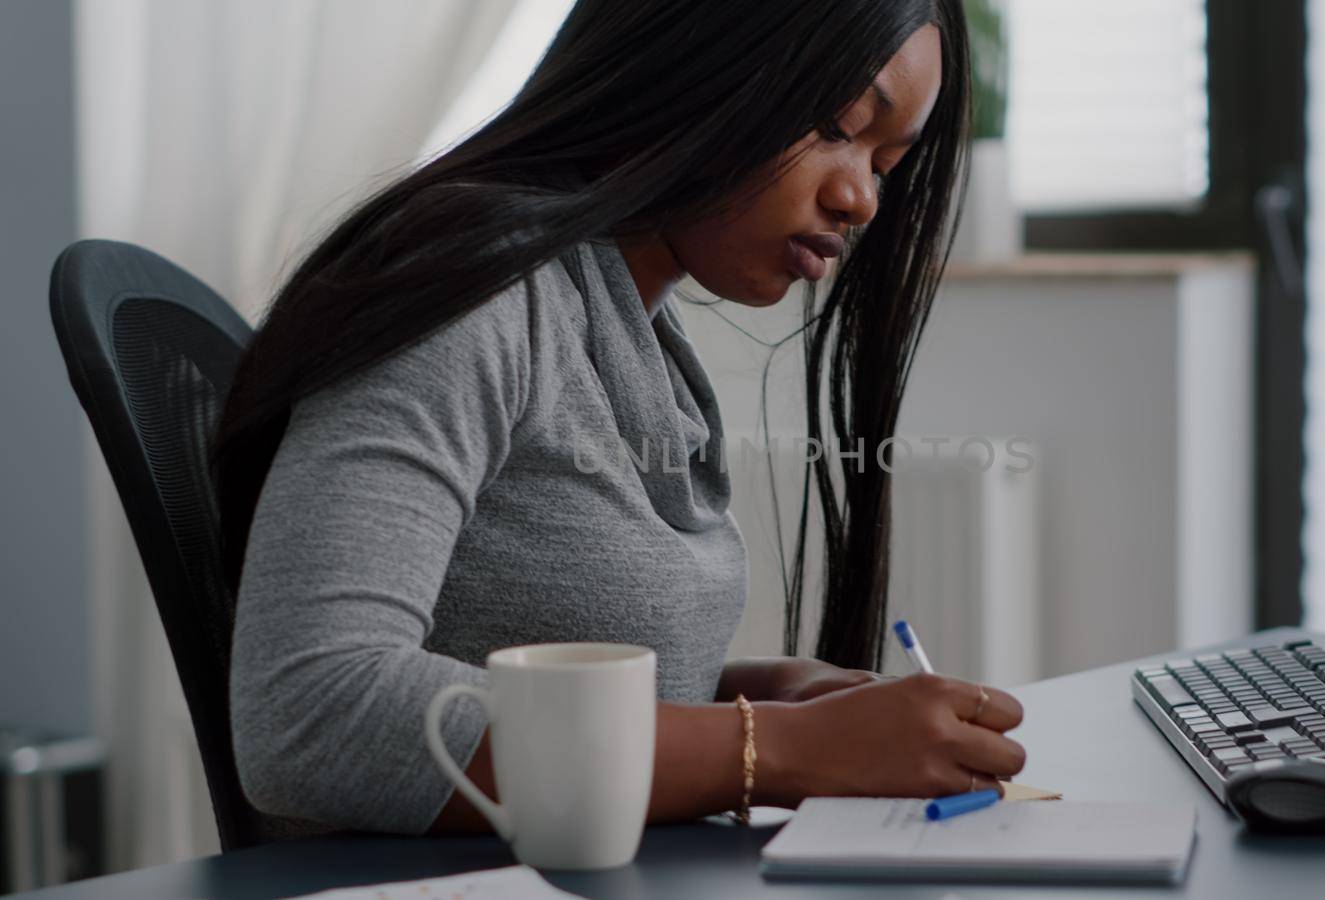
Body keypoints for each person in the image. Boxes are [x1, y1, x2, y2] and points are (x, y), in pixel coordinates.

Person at [214, 0, 1026, 836]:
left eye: (885, 164)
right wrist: (780, 748)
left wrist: (761, 695)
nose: (861, 199)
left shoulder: (624, 324)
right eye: (835, 123)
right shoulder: (476, 302)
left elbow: (506, 647)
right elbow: (311, 713)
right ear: (692, 57)